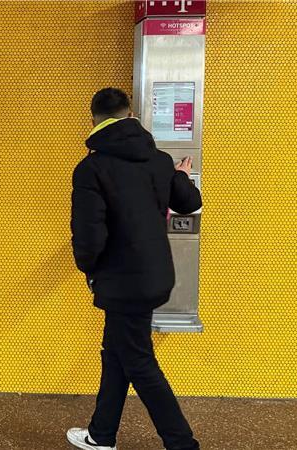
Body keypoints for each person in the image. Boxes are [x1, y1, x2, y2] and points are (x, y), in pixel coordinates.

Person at [66, 88, 202, 450]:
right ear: (130, 115)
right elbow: (190, 203)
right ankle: (101, 434)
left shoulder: (92, 168)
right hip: (156, 275)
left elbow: (89, 234)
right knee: (115, 353)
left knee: (139, 363)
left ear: (93, 118)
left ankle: (182, 443)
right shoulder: (158, 160)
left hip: (123, 282)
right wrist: (180, 176)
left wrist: (90, 270)